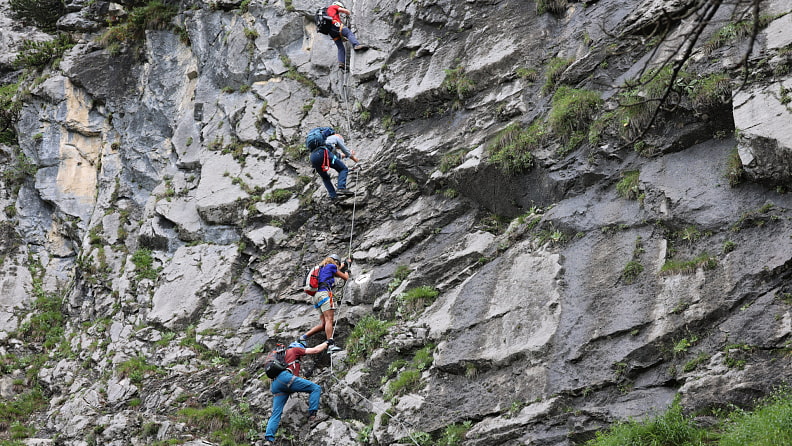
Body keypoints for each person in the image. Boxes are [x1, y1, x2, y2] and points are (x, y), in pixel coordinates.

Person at [258, 340, 331, 446]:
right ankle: (313, 417)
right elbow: (316, 350)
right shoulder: (294, 350)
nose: (302, 357)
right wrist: (327, 343)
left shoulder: (283, 358)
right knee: (315, 388)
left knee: (276, 413)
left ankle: (268, 440)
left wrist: (305, 378)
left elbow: (295, 380)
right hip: (286, 378)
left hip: (276, 384)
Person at [299, 254, 350, 350]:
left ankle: (303, 337)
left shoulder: (322, 268)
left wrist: (344, 264)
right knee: (329, 320)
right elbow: (345, 277)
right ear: (335, 262)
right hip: (324, 294)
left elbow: (337, 269)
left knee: (324, 324)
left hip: (316, 297)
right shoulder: (332, 267)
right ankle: (330, 344)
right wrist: (347, 271)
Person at [309, 133, 356, 200]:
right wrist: (354, 158)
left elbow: (336, 155)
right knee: (343, 169)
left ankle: (333, 197)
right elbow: (344, 150)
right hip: (323, 153)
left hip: (313, 157)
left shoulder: (323, 142)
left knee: (325, 178)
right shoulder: (336, 138)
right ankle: (341, 188)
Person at [325, 1, 369, 69]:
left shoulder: (327, 12)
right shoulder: (334, 6)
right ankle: (356, 45)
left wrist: (342, 37)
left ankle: (341, 63)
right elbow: (342, 10)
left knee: (340, 47)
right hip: (335, 24)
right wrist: (348, 12)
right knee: (348, 33)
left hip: (330, 31)